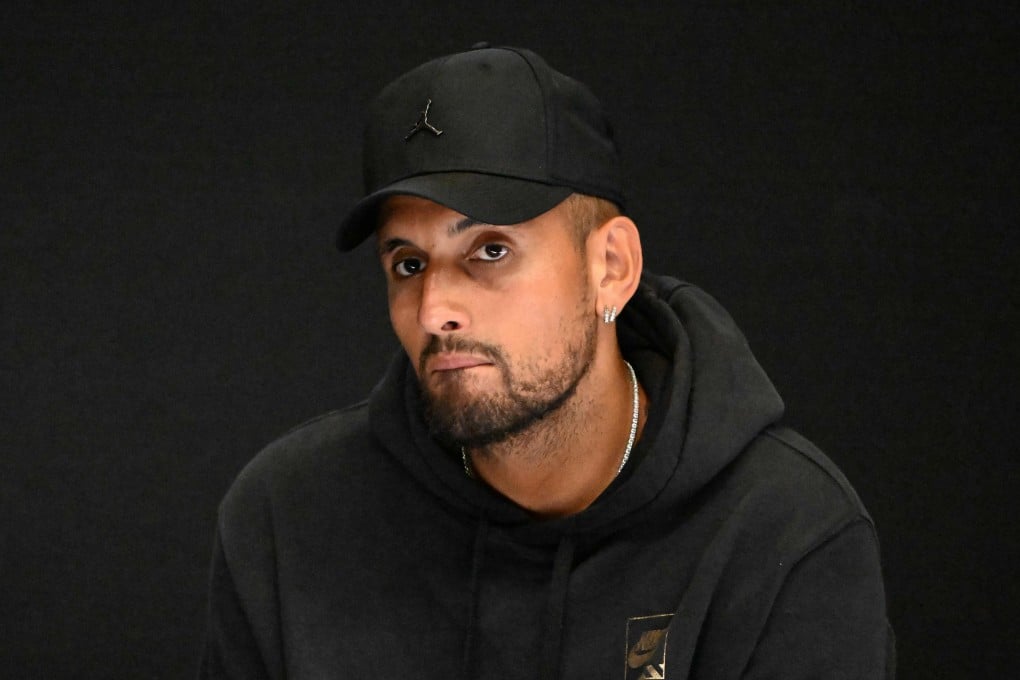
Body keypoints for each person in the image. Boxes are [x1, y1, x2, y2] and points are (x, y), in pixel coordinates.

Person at [199, 44, 894, 679]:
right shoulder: (286, 520)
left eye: (490, 251)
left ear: (611, 269)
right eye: (408, 263)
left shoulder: (785, 533)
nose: (435, 307)